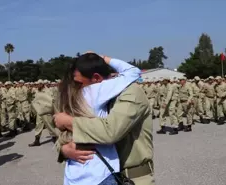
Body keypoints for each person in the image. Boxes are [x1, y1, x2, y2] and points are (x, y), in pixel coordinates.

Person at [54, 53, 153, 185]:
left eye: (79, 82)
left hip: (131, 177)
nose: (77, 87)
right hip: (100, 174)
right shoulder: (86, 95)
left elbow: (110, 131)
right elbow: (63, 135)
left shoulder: (130, 92)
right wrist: (64, 150)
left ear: (96, 78)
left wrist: (68, 121)